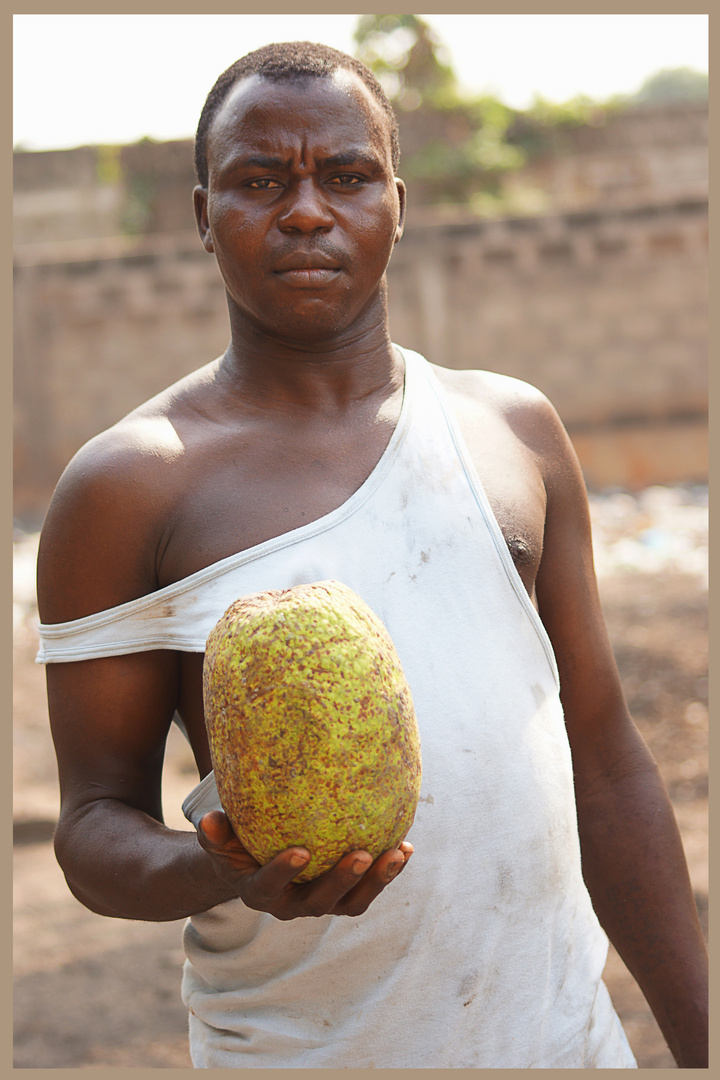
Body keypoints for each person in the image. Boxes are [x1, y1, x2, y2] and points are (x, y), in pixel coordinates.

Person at [36, 42, 708, 1069]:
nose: (307, 211)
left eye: (344, 177)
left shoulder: (512, 429)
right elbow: (90, 828)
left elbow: (604, 753)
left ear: (395, 201)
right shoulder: (131, 485)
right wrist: (222, 871)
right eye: (261, 181)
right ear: (202, 214)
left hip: (561, 1043)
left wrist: (702, 1035)